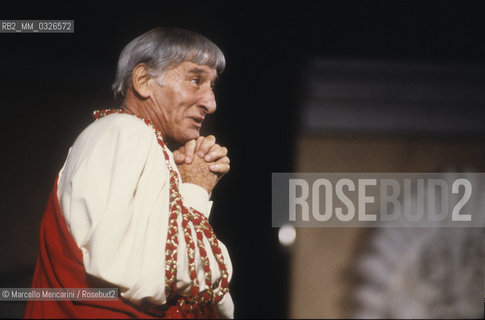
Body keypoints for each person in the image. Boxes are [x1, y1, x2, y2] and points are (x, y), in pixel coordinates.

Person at [24, 27, 234, 319]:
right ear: (144, 80)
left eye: (211, 86)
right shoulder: (127, 132)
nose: (210, 103)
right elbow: (149, 278)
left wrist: (182, 180)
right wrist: (195, 189)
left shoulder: (130, 138)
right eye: (195, 80)